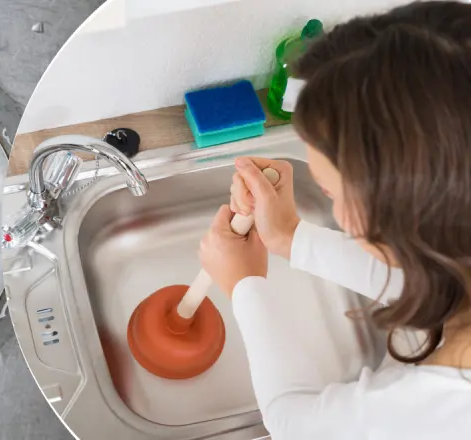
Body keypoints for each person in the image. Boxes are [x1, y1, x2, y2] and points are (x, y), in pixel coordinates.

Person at [198, 2, 471, 439]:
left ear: (400, 212)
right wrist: (289, 236)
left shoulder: (430, 412)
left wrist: (245, 287)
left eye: (330, 191)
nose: (325, 192)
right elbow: (431, 281)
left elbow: (290, 420)